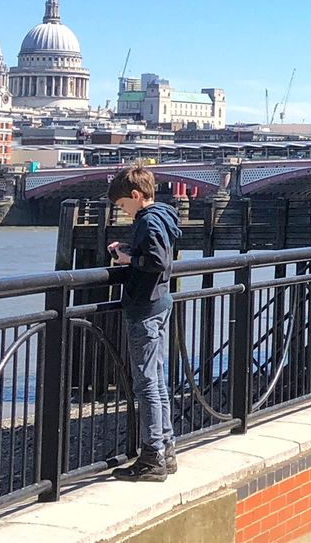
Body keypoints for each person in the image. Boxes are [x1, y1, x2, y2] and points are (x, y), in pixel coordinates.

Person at [107, 165, 183, 481]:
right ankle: (166, 449)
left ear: (137, 196)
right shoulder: (163, 216)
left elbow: (156, 262)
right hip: (160, 304)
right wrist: (131, 253)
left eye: (123, 205)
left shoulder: (149, 222)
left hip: (145, 308)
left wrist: (126, 260)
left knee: (146, 383)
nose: (123, 212)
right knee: (157, 379)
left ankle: (152, 458)